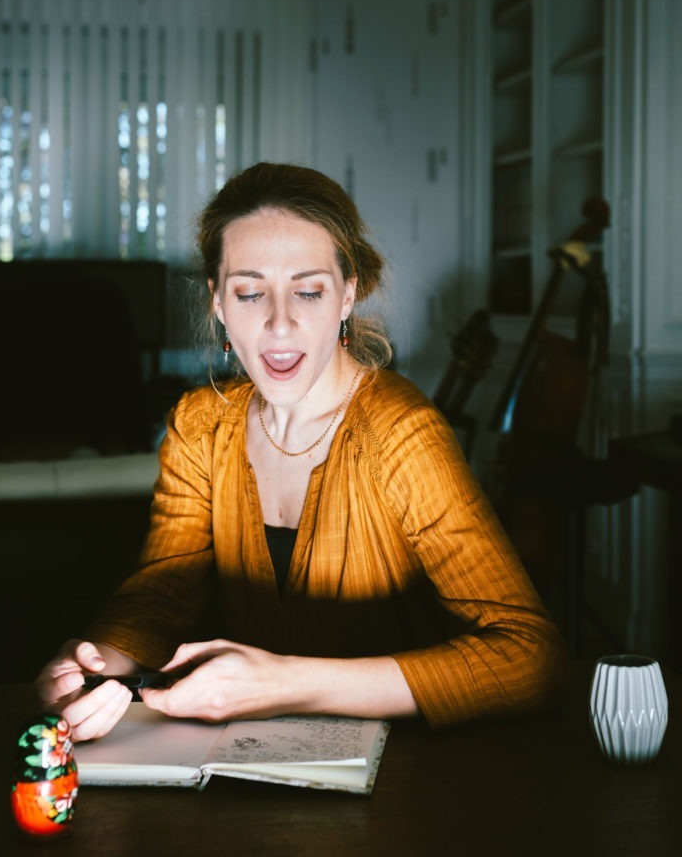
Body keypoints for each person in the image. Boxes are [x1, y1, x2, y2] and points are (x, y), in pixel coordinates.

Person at [37, 162, 566, 742]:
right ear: (218, 302)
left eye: (308, 291)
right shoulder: (199, 424)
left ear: (348, 294)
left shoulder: (401, 433)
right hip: (249, 766)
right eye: (250, 292)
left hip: (407, 778)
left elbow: (532, 660)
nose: (280, 323)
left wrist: (289, 683)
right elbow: (160, 594)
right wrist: (92, 669)